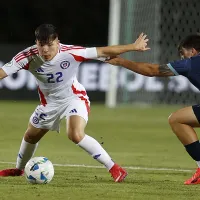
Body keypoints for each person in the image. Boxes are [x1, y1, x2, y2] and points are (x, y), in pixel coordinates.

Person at [0, 24, 149, 182]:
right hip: (49, 104)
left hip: (73, 98)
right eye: (41, 45)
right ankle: (19, 170)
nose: (45, 50)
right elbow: (3, 72)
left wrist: (133, 46)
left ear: (57, 41)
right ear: (36, 42)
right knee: (30, 136)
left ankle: (114, 168)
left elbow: (104, 51)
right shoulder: (27, 56)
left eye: (49, 45)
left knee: (74, 133)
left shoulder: (71, 52)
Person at [106, 34, 200, 185]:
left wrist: (120, 61)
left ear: (193, 51)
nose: (183, 58)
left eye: (183, 54)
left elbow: (152, 70)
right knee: (178, 118)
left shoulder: (190, 64)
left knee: (176, 120)